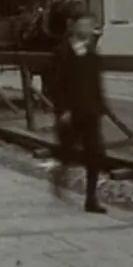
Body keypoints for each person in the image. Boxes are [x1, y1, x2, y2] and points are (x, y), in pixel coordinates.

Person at [49, 11, 108, 214]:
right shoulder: (63, 51)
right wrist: (63, 109)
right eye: (84, 25)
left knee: (96, 153)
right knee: (69, 152)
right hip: (71, 111)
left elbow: (95, 80)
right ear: (74, 27)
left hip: (90, 109)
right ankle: (60, 173)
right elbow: (56, 84)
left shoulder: (92, 51)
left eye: (91, 25)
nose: (89, 29)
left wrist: (101, 105)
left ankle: (91, 198)